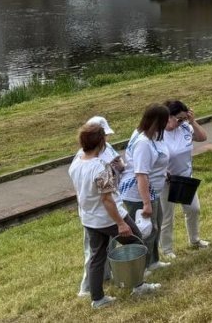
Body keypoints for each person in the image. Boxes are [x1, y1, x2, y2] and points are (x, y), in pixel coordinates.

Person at [69, 121, 159, 309]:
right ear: (101, 142)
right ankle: (138, 284)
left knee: (97, 257)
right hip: (109, 217)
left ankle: (97, 298)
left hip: (89, 219)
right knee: (138, 243)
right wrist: (121, 223)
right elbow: (107, 200)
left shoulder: (76, 163)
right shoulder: (100, 168)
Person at [118, 103, 171, 269]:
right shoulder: (143, 143)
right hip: (139, 193)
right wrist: (146, 203)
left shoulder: (152, 136)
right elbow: (141, 174)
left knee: (155, 227)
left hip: (153, 190)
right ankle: (142, 266)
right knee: (144, 230)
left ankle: (153, 260)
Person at [76, 116, 120, 298]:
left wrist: (118, 166)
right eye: (104, 136)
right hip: (98, 215)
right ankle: (87, 288)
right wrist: (121, 222)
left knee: (104, 250)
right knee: (94, 253)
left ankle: (105, 279)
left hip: (96, 213)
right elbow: (105, 197)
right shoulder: (89, 163)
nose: (107, 140)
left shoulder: (103, 153)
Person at [157, 101, 209, 259]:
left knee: (193, 210)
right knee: (167, 216)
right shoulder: (158, 134)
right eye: (178, 119)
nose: (180, 122)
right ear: (168, 117)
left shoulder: (186, 127)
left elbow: (202, 137)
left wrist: (192, 121)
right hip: (166, 181)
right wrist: (162, 171)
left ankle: (195, 240)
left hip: (184, 177)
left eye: (183, 119)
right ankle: (167, 249)